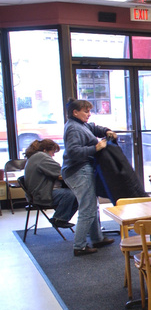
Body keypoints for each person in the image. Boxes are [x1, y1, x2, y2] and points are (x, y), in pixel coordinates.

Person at [61, 98, 116, 256]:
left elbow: (93, 127)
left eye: (89, 111)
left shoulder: (81, 125)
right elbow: (73, 152)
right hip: (78, 171)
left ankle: (97, 238)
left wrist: (106, 131)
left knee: (92, 205)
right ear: (75, 112)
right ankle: (79, 246)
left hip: (83, 169)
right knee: (88, 208)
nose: (89, 114)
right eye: (86, 111)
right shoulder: (73, 128)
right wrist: (96, 147)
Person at [23, 139, 77, 229]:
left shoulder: (35, 156)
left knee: (77, 196)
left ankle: (60, 218)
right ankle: (59, 219)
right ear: (45, 150)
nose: (53, 155)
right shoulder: (41, 157)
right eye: (53, 152)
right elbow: (60, 171)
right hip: (41, 194)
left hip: (36, 193)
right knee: (71, 194)